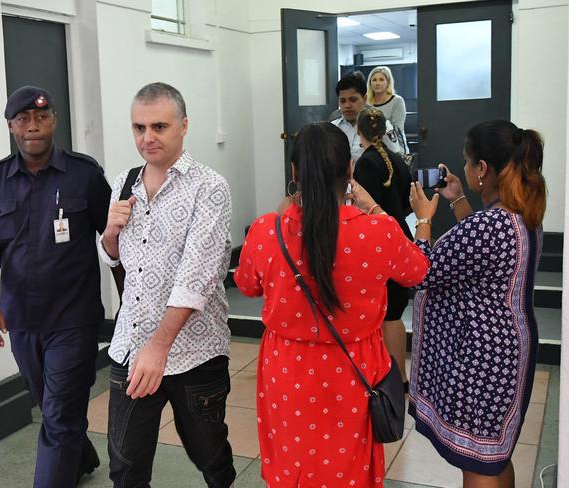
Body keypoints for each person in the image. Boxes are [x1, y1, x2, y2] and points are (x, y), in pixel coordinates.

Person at [234, 122, 429, 487]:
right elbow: (417, 271)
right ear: (350, 170)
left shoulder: (266, 231)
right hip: (355, 371)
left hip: (286, 371)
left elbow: (246, 285)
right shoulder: (378, 232)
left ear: (294, 173)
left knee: (291, 462)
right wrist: (377, 210)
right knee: (348, 466)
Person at [0, 86, 111, 487]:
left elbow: (116, 242)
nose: (34, 127)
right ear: (11, 126)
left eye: (42, 118)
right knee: (53, 407)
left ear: (54, 121)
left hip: (74, 318)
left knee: (60, 414)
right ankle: (80, 457)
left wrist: (132, 306)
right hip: (21, 320)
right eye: (24, 119)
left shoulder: (84, 175)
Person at [98, 82, 236, 488]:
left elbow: (198, 276)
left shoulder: (208, 187)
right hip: (131, 345)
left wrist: (159, 349)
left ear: (184, 126)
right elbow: (112, 256)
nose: (147, 137)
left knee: (209, 454)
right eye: (139, 127)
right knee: (125, 465)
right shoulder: (125, 181)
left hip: (193, 351)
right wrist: (109, 233)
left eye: (159, 126)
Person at [408, 120, 547, 487]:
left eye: (467, 162)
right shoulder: (520, 215)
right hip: (509, 350)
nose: (464, 169)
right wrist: (457, 199)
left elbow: (421, 271)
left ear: (482, 169)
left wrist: (423, 219)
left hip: (482, 359)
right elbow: (478, 255)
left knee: (477, 462)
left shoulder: (488, 226)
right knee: (494, 456)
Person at [353, 107, 414, 391]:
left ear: (359, 131)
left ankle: (387, 379)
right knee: (395, 313)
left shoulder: (365, 163)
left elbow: (364, 207)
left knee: (385, 314)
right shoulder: (399, 161)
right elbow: (404, 204)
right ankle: (399, 377)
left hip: (376, 241)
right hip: (400, 236)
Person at [331, 72, 402, 162]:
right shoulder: (332, 128)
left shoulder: (380, 125)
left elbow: (396, 159)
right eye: (342, 101)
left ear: (364, 99)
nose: (347, 105)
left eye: (353, 100)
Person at [367, 66, 409, 154]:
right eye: (374, 80)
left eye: (381, 79)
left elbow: (397, 129)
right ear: (370, 83)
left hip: (396, 149)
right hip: (373, 150)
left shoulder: (397, 101)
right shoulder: (366, 103)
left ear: (388, 82)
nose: (377, 83)